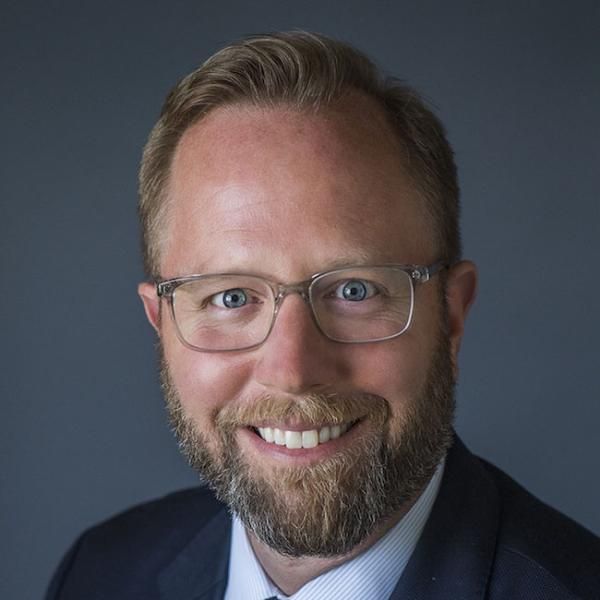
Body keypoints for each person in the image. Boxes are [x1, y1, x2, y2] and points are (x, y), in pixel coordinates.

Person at [46, 31, 600, 600]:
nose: (292, 370)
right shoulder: (100, 574)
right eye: (231, 297)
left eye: (354, 289)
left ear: (451, 316)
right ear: (160, 324)